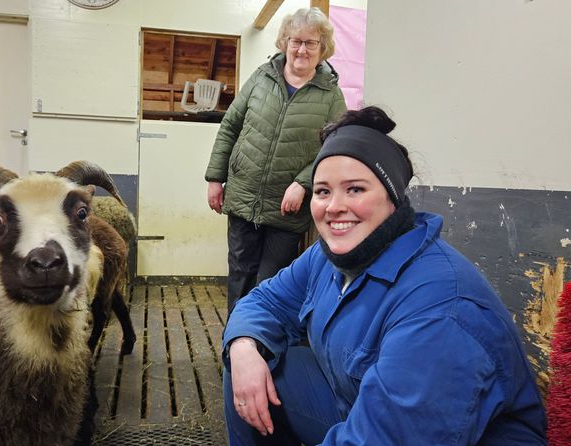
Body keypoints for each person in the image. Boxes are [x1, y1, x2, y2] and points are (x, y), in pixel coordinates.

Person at [221, 106, 547, 445]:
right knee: (249, 363)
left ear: (392, 198)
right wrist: (245, 346)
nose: (333, 206)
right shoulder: (329, 256)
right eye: (322, 191)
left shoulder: (441, 308)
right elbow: (264, 301)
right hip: (357, 408)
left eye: (355, 189)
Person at [204, 7, 347, 314]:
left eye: (311, 43)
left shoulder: (331, 95)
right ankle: (234, 347)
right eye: (296, 41)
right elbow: (230, 126)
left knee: (270, 281)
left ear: (322, 48)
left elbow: (334, 148)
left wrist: (303, 183)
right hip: (244, 196)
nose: (302, 49)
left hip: (288, 209)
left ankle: (260, 347)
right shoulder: (261, 78)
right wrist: (215, 178)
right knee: (240, 275)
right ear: (285, 42)